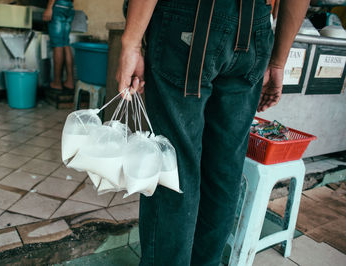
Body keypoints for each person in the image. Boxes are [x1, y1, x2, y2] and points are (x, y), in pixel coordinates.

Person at [116, 0, 310, 265]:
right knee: (224, 171)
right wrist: (278, 61)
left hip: (188, 19)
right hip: (255, 27)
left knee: (175, 169)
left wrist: (131, 43)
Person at [43, 0, 75, 90]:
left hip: (58, 6)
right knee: (66, 43)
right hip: (69, 6)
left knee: (58, 44)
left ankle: (57, 82)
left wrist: (49, 7)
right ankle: (70, 81)